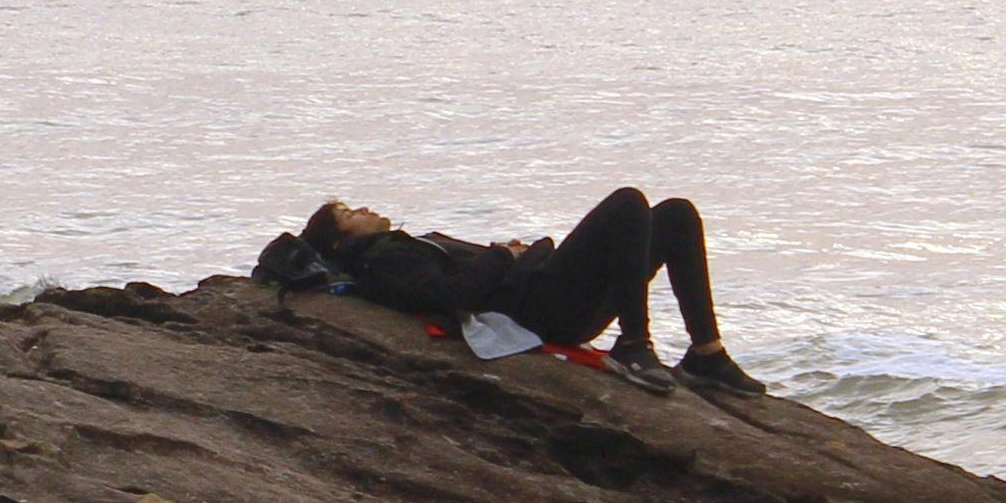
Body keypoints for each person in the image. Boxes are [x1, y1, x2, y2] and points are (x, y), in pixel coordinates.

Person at [249, 187, 766, 396]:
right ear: (344, 240)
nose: (363, 209)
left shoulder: (401, 244)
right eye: (350, 213)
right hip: (539, 306)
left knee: (673, 214)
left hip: (544, 291)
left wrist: (508, 253)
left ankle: (705, 353)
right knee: (629, 203)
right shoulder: (380, 257)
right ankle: (634, 344)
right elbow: (451, 295)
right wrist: (504, 255)